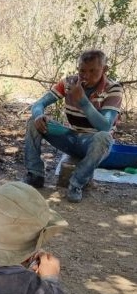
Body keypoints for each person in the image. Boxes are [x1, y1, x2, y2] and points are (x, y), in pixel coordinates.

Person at [23, 49, 122, 203]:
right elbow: (39, 104)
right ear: (78, 69)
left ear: (104, 69)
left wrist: (83, 101)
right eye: (82, 71)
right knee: (33, 122)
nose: (86, 75)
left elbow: (105, 126)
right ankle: (35, 174)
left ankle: (76, 184)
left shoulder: (113, 89)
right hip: (71, 137)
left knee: (104, 138)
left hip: (92, 143)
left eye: (93, 71)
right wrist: (38, 115)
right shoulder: (69, 83)